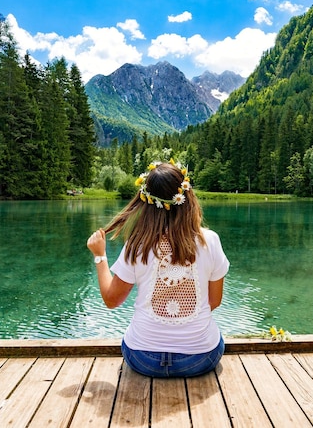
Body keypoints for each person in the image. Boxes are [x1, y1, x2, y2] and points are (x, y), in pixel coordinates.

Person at [87, 160, 229, 378]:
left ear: (146, 202)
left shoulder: (137, 244)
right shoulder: (209, 241)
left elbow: (111, 300)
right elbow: (214, 301)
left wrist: (100, 256)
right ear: (187, 197)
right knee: (215, 337)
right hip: (199, 358)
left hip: (143, 358)